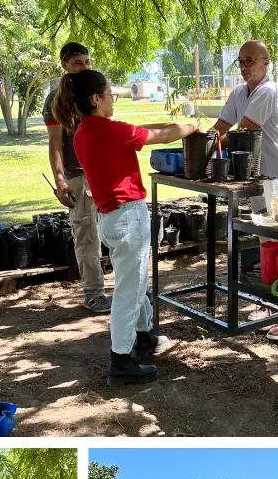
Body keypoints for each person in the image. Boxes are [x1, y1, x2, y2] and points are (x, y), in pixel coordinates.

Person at [53, 68, 199, 386]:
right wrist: (191, 126)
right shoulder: (110, 130)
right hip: (128, 217)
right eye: (109, 95)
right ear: (95, 99)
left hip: (110, 218)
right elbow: (160, 135)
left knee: (133, 281)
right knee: (128, 292)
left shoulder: (81, 133)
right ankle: (121, 361)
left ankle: (144, 336)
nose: (113, 101)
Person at [213, 40, 278, 341]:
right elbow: (219, 129)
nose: (243, 66)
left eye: (249, 60)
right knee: (267, 241)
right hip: (256, 176)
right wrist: (204, 140)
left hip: (277, 175)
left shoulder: (268, 91)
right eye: (240, 61)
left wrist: (203, 145)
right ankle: (270, 302)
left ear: (266, 62)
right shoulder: (239, 92)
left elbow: (240, 135)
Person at [42, 42, 109, 313]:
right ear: (65, 66)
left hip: (104, 172)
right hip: (78, 176)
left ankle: (131, 290)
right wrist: (60, 179)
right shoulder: (56, 99)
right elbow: (55, 144)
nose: (84, 66)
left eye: (87, 61)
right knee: (87, 236)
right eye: (78, 62)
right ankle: (94, 293)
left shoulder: (96, 87)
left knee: (118, 231)